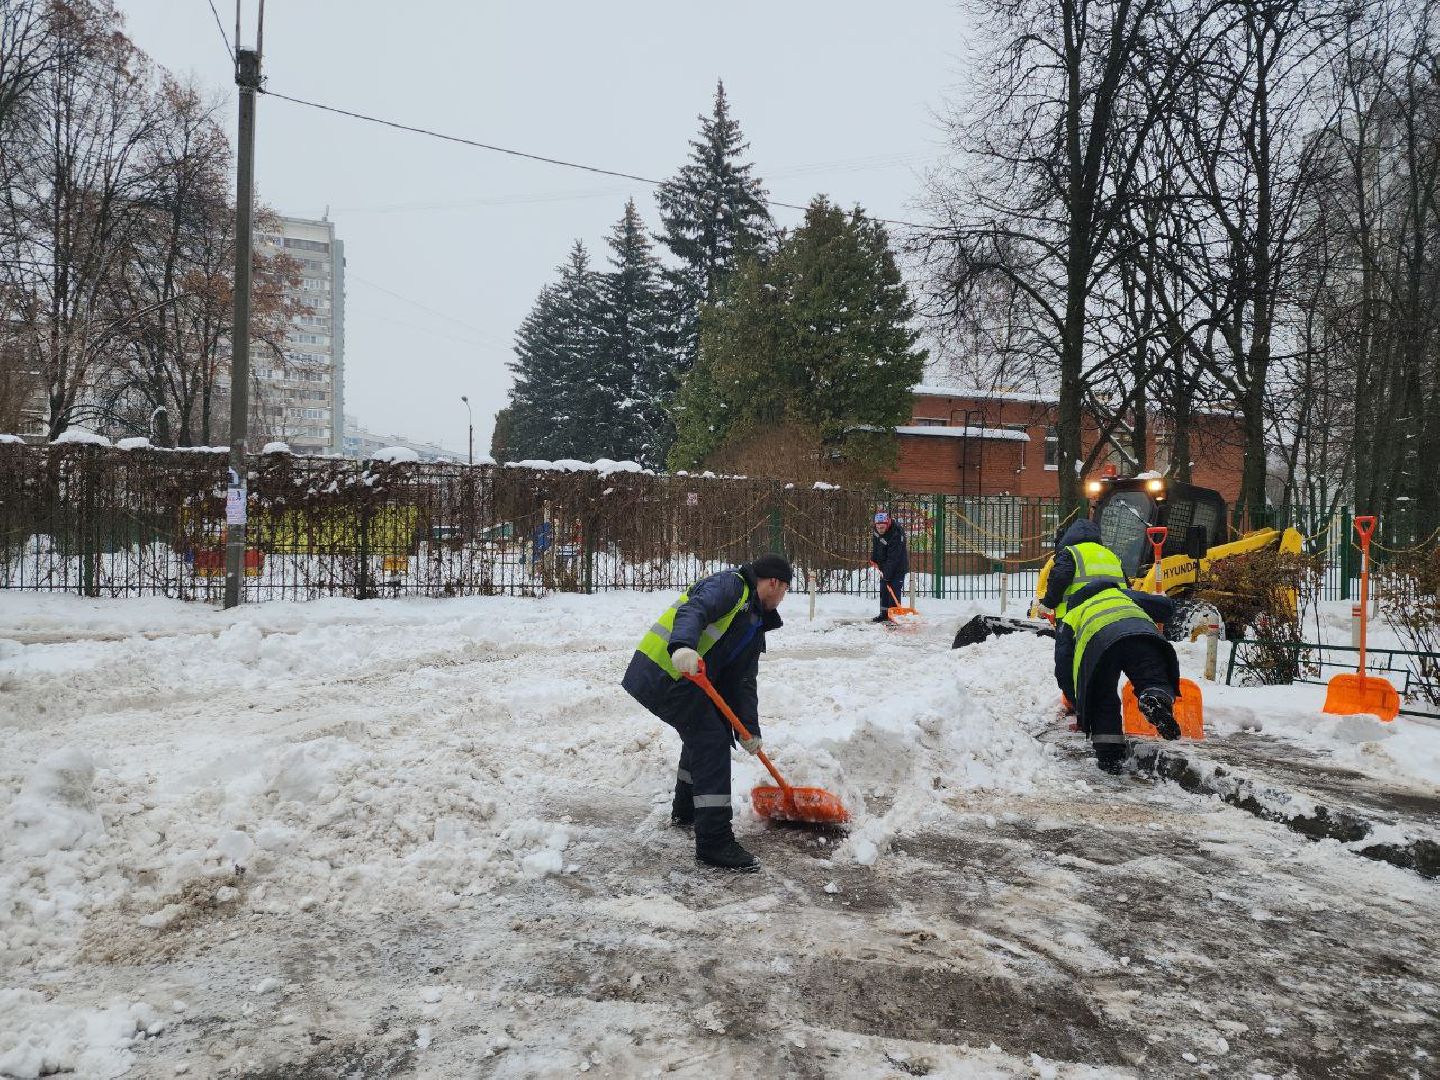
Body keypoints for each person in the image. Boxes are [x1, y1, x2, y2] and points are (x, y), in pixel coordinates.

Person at [621, 553, 792, 872]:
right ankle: (714, 842)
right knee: (711, 741)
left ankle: (686, 811)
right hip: (666, 671)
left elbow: (742, 680)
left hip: (683, 679)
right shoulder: (731, 587)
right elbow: (693, 610)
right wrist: (682, 646)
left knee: (704, 733)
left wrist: (749, 730)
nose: (784, 598)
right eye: (785, 590)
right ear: (774, 583)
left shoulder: (754, 620)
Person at [1038, 519, 1182, 773]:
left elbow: (1064, 665)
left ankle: (1110, 757)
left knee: (1103, 696)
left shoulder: (1073, 610)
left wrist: (1078, 701)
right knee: (1152, 678)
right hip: (1140, 631)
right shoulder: (1115, 570)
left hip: (1099, 643)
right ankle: (1154, 696)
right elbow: (1165, 608)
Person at [869, 511, 909, 624]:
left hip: (898, 567)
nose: (880, 530)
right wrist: (874, 559)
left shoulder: (896, 534)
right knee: (884, 590)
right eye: (878, 527)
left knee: (894, 591)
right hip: (885, 566)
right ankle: (883, 614)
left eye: (882, 527)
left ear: (888, 523)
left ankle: (894, 617)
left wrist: (887, 574)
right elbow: (876, 545)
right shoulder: (876, 531)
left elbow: (894, 557)